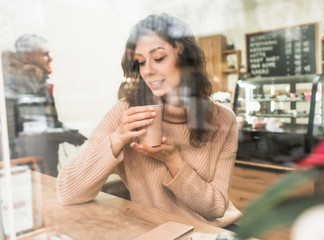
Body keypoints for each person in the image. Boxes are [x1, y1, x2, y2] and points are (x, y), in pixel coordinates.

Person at [56, 13, 241, 228]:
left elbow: (217, 208)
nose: (148, 70)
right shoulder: (127, 111)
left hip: (213, 230)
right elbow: (67, 191)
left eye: (159, 58)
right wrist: (116, 139)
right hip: (160, 230)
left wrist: (174, 160)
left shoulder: (223, 120)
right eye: (141, 62)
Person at [1, 34, 87, 177]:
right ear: (28, 57)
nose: (50, 58)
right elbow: (28, 130)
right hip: (30, 169)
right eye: (44, 54)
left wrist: (66, 131)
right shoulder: (22, 86)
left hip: (41, 165)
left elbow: (48, 123)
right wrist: (64, 134)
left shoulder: (36, 84)